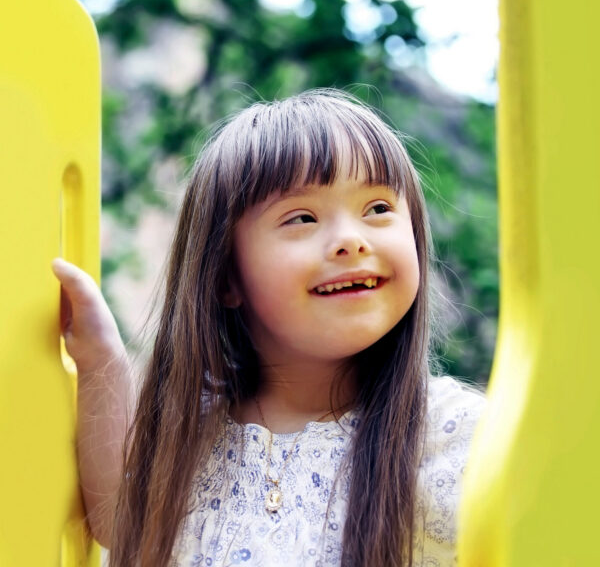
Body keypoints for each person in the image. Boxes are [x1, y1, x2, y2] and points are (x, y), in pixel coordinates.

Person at [52, 89, 486, 567]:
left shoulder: (461, 436)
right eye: (302, 217)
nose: (350, 239)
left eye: (378, 209)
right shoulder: (193, 434)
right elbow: (121, 523)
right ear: (225, 276)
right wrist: (100, 360)